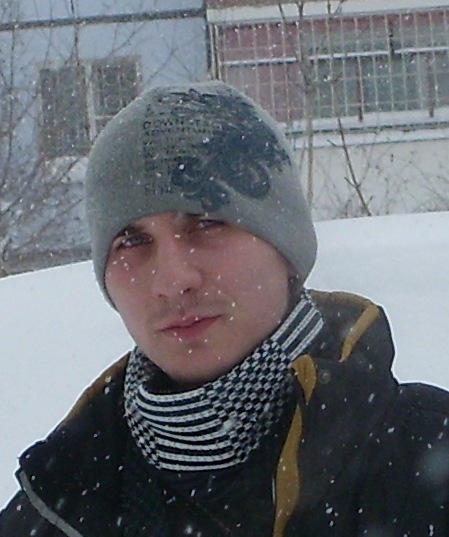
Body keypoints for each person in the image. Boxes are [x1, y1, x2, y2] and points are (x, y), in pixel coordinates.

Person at [1, 80, 449, 537]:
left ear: (285, 249)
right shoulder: (59, 503)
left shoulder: (428, 465)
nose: (173, 279)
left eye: (207, 223)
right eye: (132, 241)